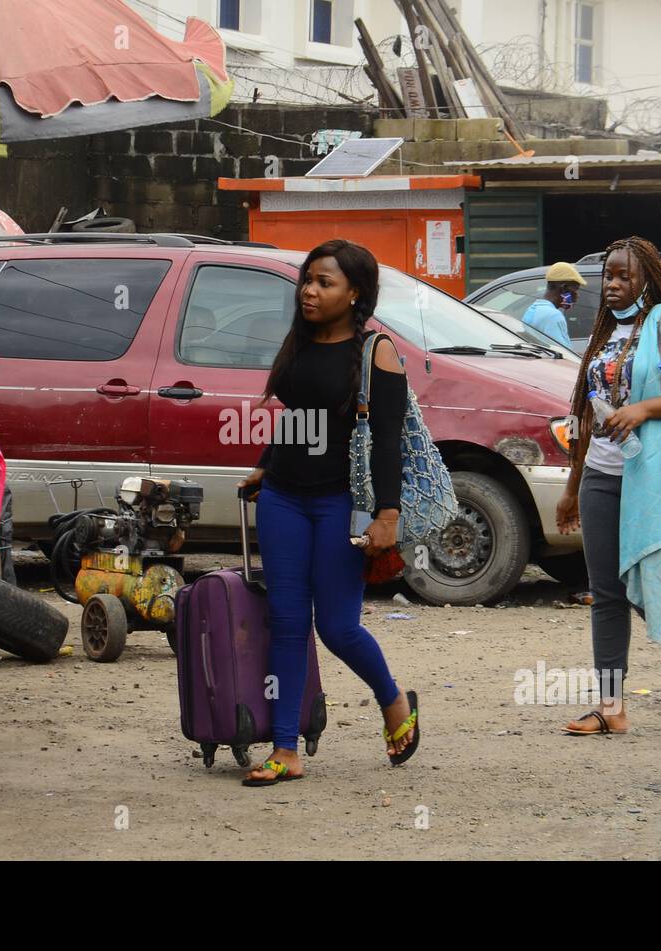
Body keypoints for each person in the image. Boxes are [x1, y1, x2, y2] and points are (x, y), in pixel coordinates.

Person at [236, 238, 418, 786]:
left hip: (341, 504)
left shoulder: (375, 352)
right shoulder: (301, 339)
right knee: (288, 623)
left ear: (355, 293)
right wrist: (267, 466)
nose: (309, 291)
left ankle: (393, 700)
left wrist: (386, 516)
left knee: (337, 627)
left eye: (325, 283)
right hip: (284, 498)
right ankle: (285, 748)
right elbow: (297, 414)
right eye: (307, 280)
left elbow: (388, 440)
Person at [555, 236, 661, 736]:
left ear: (647, 280)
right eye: (608, 274)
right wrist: (573, 484)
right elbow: (588, 416)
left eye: (624, 275)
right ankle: (611, 708)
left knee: (648, 589)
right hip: (603, 476)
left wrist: (645, 409)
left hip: (657, 476)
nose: (612, 283)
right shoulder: (604, 334)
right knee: (607, 593)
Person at [521, 262, 585, 348]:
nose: (577, 295)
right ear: (564, 288)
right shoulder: (553, 316)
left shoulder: (532, 309)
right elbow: (563, 353)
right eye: (575, 289)